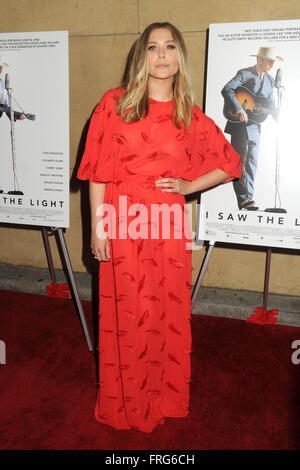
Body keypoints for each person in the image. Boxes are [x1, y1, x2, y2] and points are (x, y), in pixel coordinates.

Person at [77, 22, 241, 433]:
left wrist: (188, 185)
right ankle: (126, 401)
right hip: (121, 223)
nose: (162, 55)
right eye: (153, 47)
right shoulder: (113, 104)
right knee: (126, 315)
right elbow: (97, 173)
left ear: (179, 57)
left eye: (170, 47)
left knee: (163, 313)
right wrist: (98, 230)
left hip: (167, 227)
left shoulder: (189, 115)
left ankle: (163, 397)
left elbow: (230, 162)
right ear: (142, 55)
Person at [221, 47, 282, 211]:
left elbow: (272, 106)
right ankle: (244, 199)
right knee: (240, 161)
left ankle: (249, 197)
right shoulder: (244, 73)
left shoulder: (270, 81)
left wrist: (279, 116)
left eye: (272, 62)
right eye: (269, 61)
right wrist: (240, 109)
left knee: (252, 162)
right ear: (260, 60)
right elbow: (227, 89)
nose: (271, 65)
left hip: (255, 127)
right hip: (240, 125)